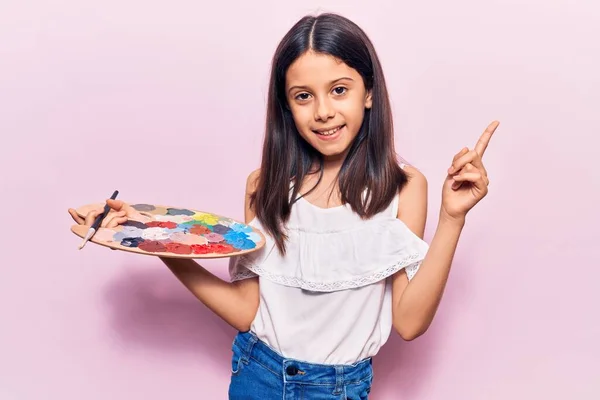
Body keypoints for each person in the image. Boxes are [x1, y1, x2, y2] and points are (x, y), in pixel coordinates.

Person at [68, 12, 498, 399]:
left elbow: (408, 323)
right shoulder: (265, 186)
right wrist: (152, 238)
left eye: (339, 90)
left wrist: (451, 219)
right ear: (286, 106)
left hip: (338, 389)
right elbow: (246, 310)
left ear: (369, 93)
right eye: (303, 96)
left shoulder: (403, 186)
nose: (324, 111)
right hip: (256, 374)